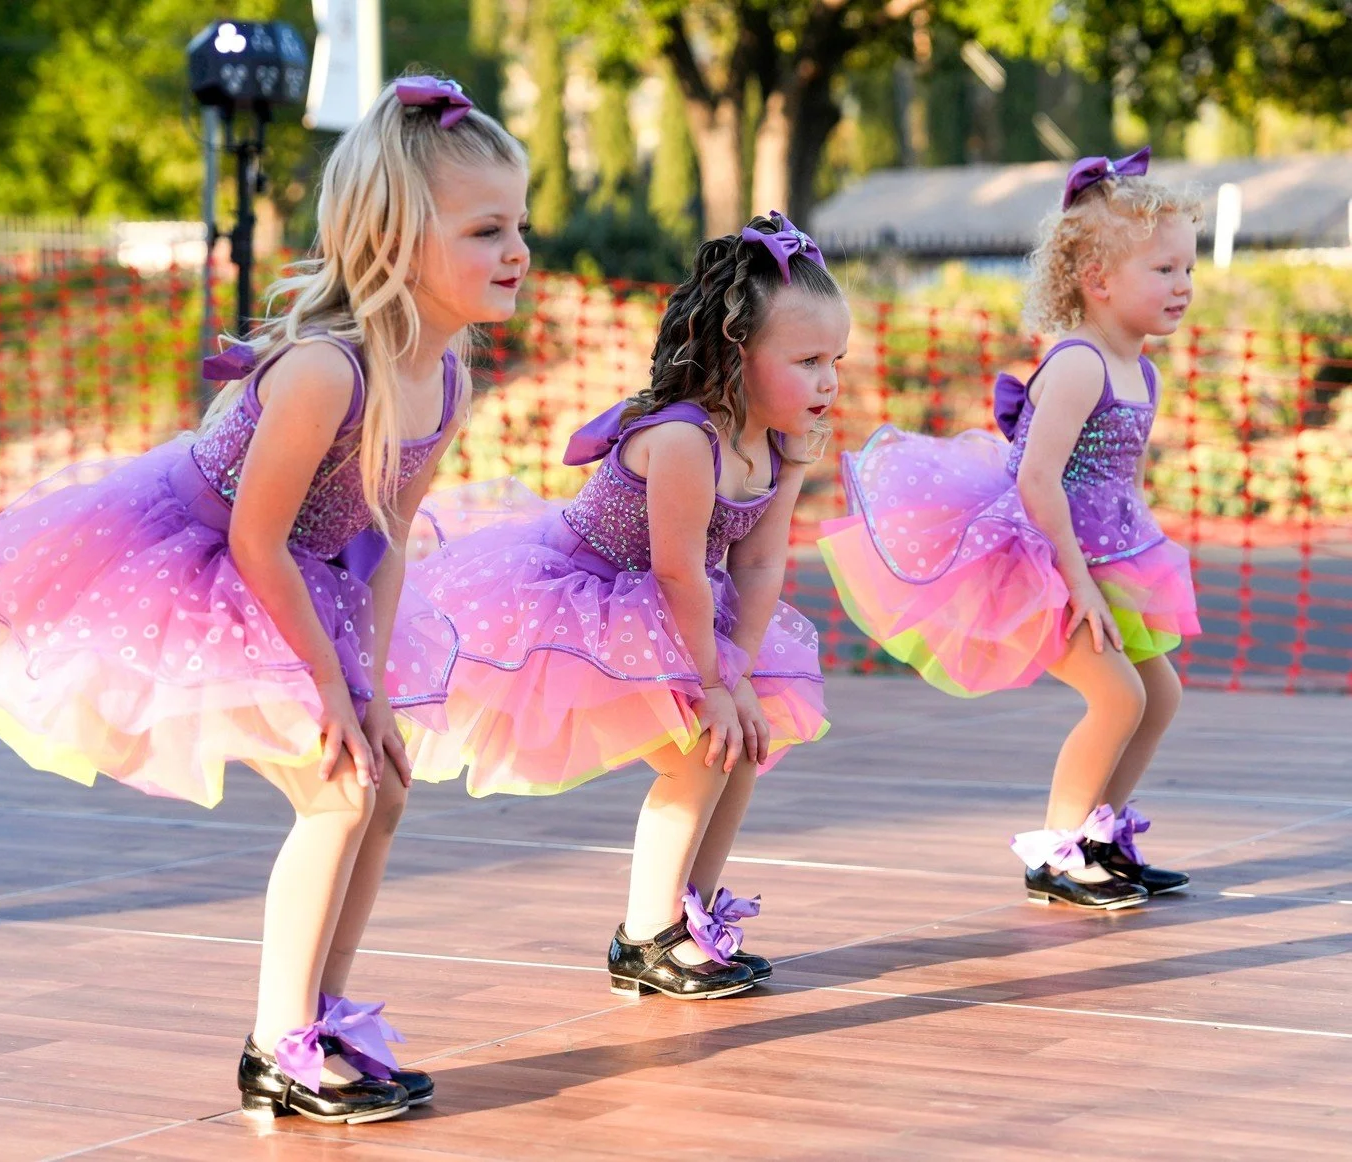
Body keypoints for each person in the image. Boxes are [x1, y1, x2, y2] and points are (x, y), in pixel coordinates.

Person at [0, 74, 529, 1122]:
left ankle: (325, 1017)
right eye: (486, 230)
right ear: (392, 241)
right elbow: (254, 536)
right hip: (212, 563)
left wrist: (371, 690)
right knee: (335, 788)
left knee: (381, 783)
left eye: (521, 223)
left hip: (315, 569)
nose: (517, 249)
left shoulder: (446, 374)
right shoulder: (324, 372)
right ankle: (277, 1044)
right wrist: (325, 693)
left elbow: (381, 539)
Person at [405, 212, 846, 998]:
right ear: (736, 355)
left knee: (743, 744)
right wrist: (714, 683)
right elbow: (677, 573)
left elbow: (758, 558)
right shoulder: (684, 440)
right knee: (696, 749)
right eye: (808, 361)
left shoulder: (778, 442)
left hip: (678, 603)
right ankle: (644, 938)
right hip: (595, 595)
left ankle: (692, 916)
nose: (828, 383)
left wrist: (738, 671)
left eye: (833, 361)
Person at [819, 149, 1202, 910]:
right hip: (1045, 561)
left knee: (1158, 696)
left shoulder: (1140, 369)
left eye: (1187, 269)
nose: (1183, 286)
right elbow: (1036, 480)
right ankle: (1057, 855)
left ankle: (1099, 834)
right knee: (1117, 698)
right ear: (1097, 280)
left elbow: (1110, 478)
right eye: (1164, 271)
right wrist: (1079, 583)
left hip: (1110, 554)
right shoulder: (1078, 365)